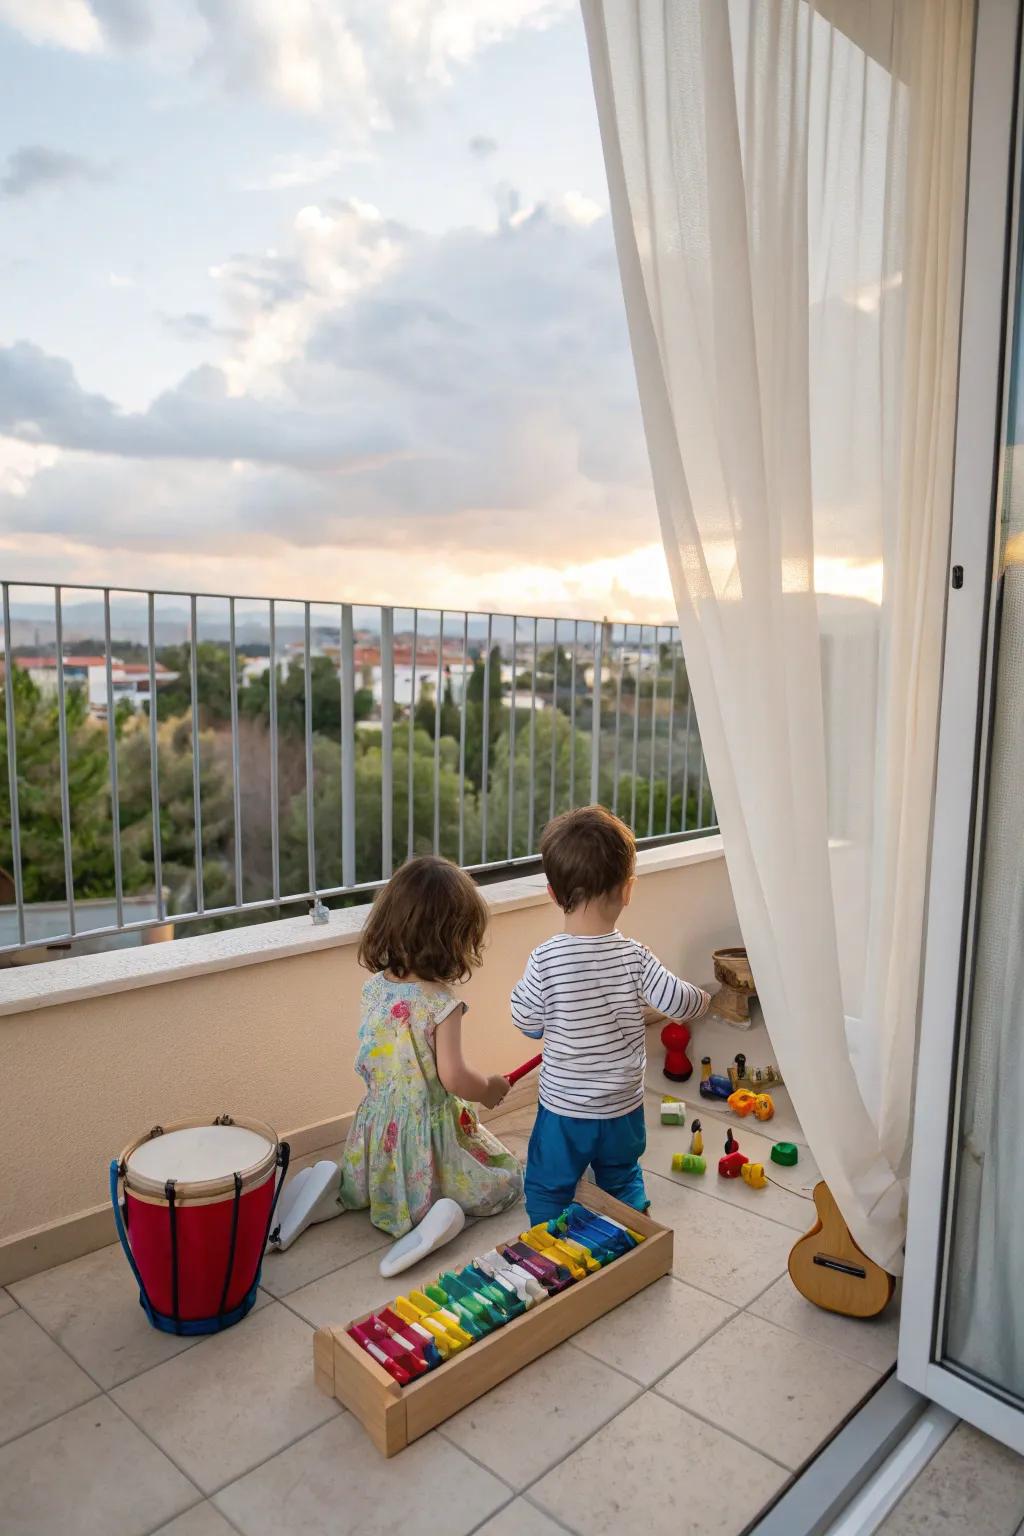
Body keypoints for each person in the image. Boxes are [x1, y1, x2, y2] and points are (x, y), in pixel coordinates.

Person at [512, 805, 710, 1222]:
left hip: (564, 1112)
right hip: (622, 1108)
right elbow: (680, 1003)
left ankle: (548, 1245)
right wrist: (705, 999)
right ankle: (634, 1228)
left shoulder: (544, 960)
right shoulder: (635, 958)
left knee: (549, 1183)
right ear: (628, 890)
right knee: (621, 1174)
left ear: (552, 893)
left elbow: (527, 1023)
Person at [338, 855, 524, 1237]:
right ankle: (434, 1213)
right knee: (506, 1181)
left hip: (379, 1121)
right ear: (452, 938)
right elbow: (454, 1078)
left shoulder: (376, 986)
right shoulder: (440, 1004)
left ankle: (379, 1190)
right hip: (425, 1131)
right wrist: (489, 1088)